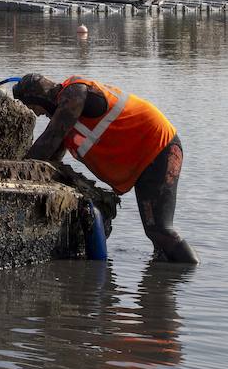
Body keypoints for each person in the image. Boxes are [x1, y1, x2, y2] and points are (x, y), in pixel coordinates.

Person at [13, 74, 198, 264]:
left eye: (34, 108)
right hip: (147, 155)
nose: (37, 114)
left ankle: (190, 274)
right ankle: (164, 283)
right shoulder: (66, 114)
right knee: (156, 234)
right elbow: (52, 153)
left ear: (38, 97)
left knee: (160, 230)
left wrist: (15, 171)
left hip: (159, 147)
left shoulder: (75, 93)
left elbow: (48, 141)